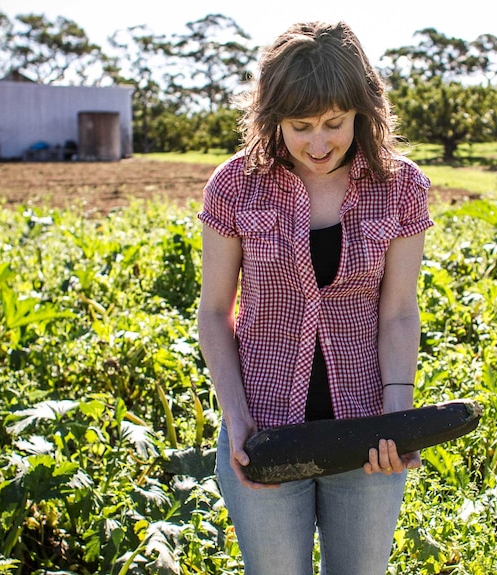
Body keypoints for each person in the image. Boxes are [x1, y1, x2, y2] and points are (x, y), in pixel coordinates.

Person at [197, 20, 433, 575]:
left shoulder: (401, 187)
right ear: (271, 117)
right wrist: (236, 416)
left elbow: (398, 311)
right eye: (300, 126)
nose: (319, 143)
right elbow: (213, 312)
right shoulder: (234, 185)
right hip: (265, 433)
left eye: (335, 122)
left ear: (362, 112)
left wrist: (398, 413)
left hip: (366, 432)